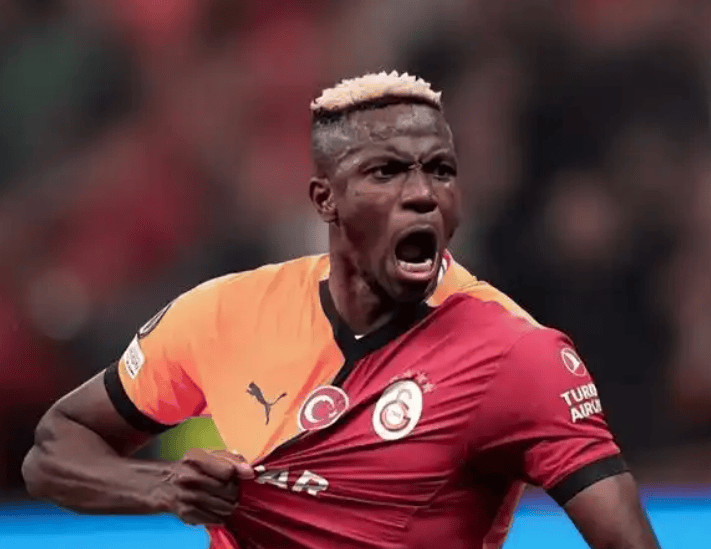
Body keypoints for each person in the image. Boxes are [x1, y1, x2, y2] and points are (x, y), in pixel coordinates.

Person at [22, 71, 661, 549]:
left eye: (441, 170)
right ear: (325, 199)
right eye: (386, 172)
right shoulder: (223, 314)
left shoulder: (518, 354)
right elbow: (54, 448)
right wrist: (162, 488)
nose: (423, 194)